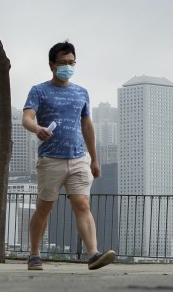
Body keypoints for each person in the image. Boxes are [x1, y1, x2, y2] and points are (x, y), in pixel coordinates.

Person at [22, 41, 117, 271]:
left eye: (71, 63)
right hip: (50, 159)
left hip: (78, 158)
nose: (68, 66)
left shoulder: (81, 92)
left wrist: (94, 158)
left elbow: (87, 126)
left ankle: (93, 254)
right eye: (63, 63)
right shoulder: (39, 90)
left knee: (82, 204)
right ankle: (34, 253)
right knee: (45, 208)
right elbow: (26, 118)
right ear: (51, 65)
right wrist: (37, 129)